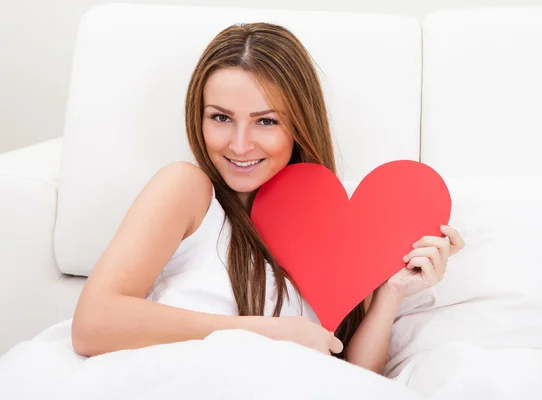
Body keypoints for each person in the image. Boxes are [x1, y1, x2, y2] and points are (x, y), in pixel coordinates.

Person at [71, 22, 464, 376]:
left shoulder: (338, 226)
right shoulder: (187, 190)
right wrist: (267, 333)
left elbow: (354, 379)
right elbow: (92, 324)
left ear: (299, 124)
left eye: (266, 121)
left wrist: (390, 293)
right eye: (221, 118)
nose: (240, 145)